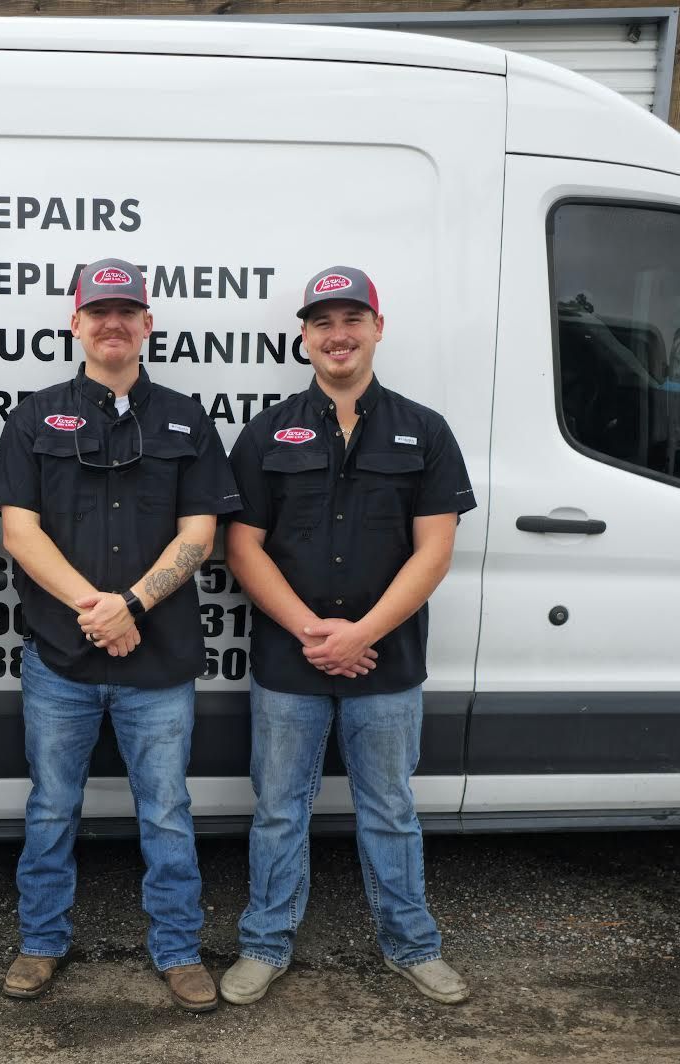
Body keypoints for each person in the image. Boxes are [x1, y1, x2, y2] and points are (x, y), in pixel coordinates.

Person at [0, 258, 241, 1012]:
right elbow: (19, 533)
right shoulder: (33, 418)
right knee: (50, 807)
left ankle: (177, 950)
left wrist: (132, 604)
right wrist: (97, 608)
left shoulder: (187, 419)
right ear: (75, 324)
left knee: (165, 809)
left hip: (156, 666)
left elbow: (200, 533)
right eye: (98, 311)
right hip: (59, 661)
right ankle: (40, 942)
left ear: (147, 325)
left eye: (127, 311)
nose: (112, 323)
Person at [220, 266, 476, 1007]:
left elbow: (434, 549)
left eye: (351, 319)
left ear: (376, 328)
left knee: (390, 808)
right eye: (322, 322)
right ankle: (264, 945)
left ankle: (411, 946)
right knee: (277, 810)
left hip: (385, 661)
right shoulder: (268, 431)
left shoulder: (422, 430)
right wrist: (313, 631)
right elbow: (242, 548)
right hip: (289, 662)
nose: (337, 335)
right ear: (303, 336)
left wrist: (359, 632)